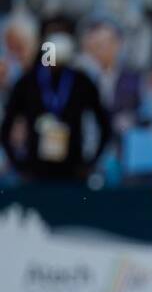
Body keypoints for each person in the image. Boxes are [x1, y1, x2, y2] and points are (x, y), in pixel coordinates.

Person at [0, 15, 112, 181]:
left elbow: (104, 125)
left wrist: (89, 164)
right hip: (36, 174)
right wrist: (20, 166)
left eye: (63, 34)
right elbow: (6, 127)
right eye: (53, 34)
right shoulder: (28, 81)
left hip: (72, 174)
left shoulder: (81, 81)